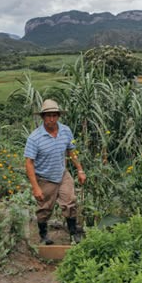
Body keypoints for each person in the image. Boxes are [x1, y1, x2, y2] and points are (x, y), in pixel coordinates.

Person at [24, 99, 86, 245]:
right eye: (48, 115)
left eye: (54, 115)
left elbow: (72, 151)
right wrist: (36, 187)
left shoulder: (66, 131)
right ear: (42, 117)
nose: (51, 119)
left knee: (70, 201)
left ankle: (73, 233)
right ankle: (44, 235)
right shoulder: (35, 138)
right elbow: (29, 163)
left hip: (62, 174)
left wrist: (80, 169)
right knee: (45, 208)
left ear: (58, 116)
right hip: (45, 178)